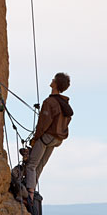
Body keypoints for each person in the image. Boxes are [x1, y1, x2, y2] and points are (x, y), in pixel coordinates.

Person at [25, 72, 73, 204]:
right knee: (40, 164)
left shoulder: (50, 102)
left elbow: (43, 124)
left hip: (47, 137)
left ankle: (29, 194)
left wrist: (35, 138)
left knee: (31, 165)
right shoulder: (64, 104)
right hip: (57, 139)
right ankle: (32, 191)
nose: (51, 80)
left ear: (56, 84)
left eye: (53, 79)